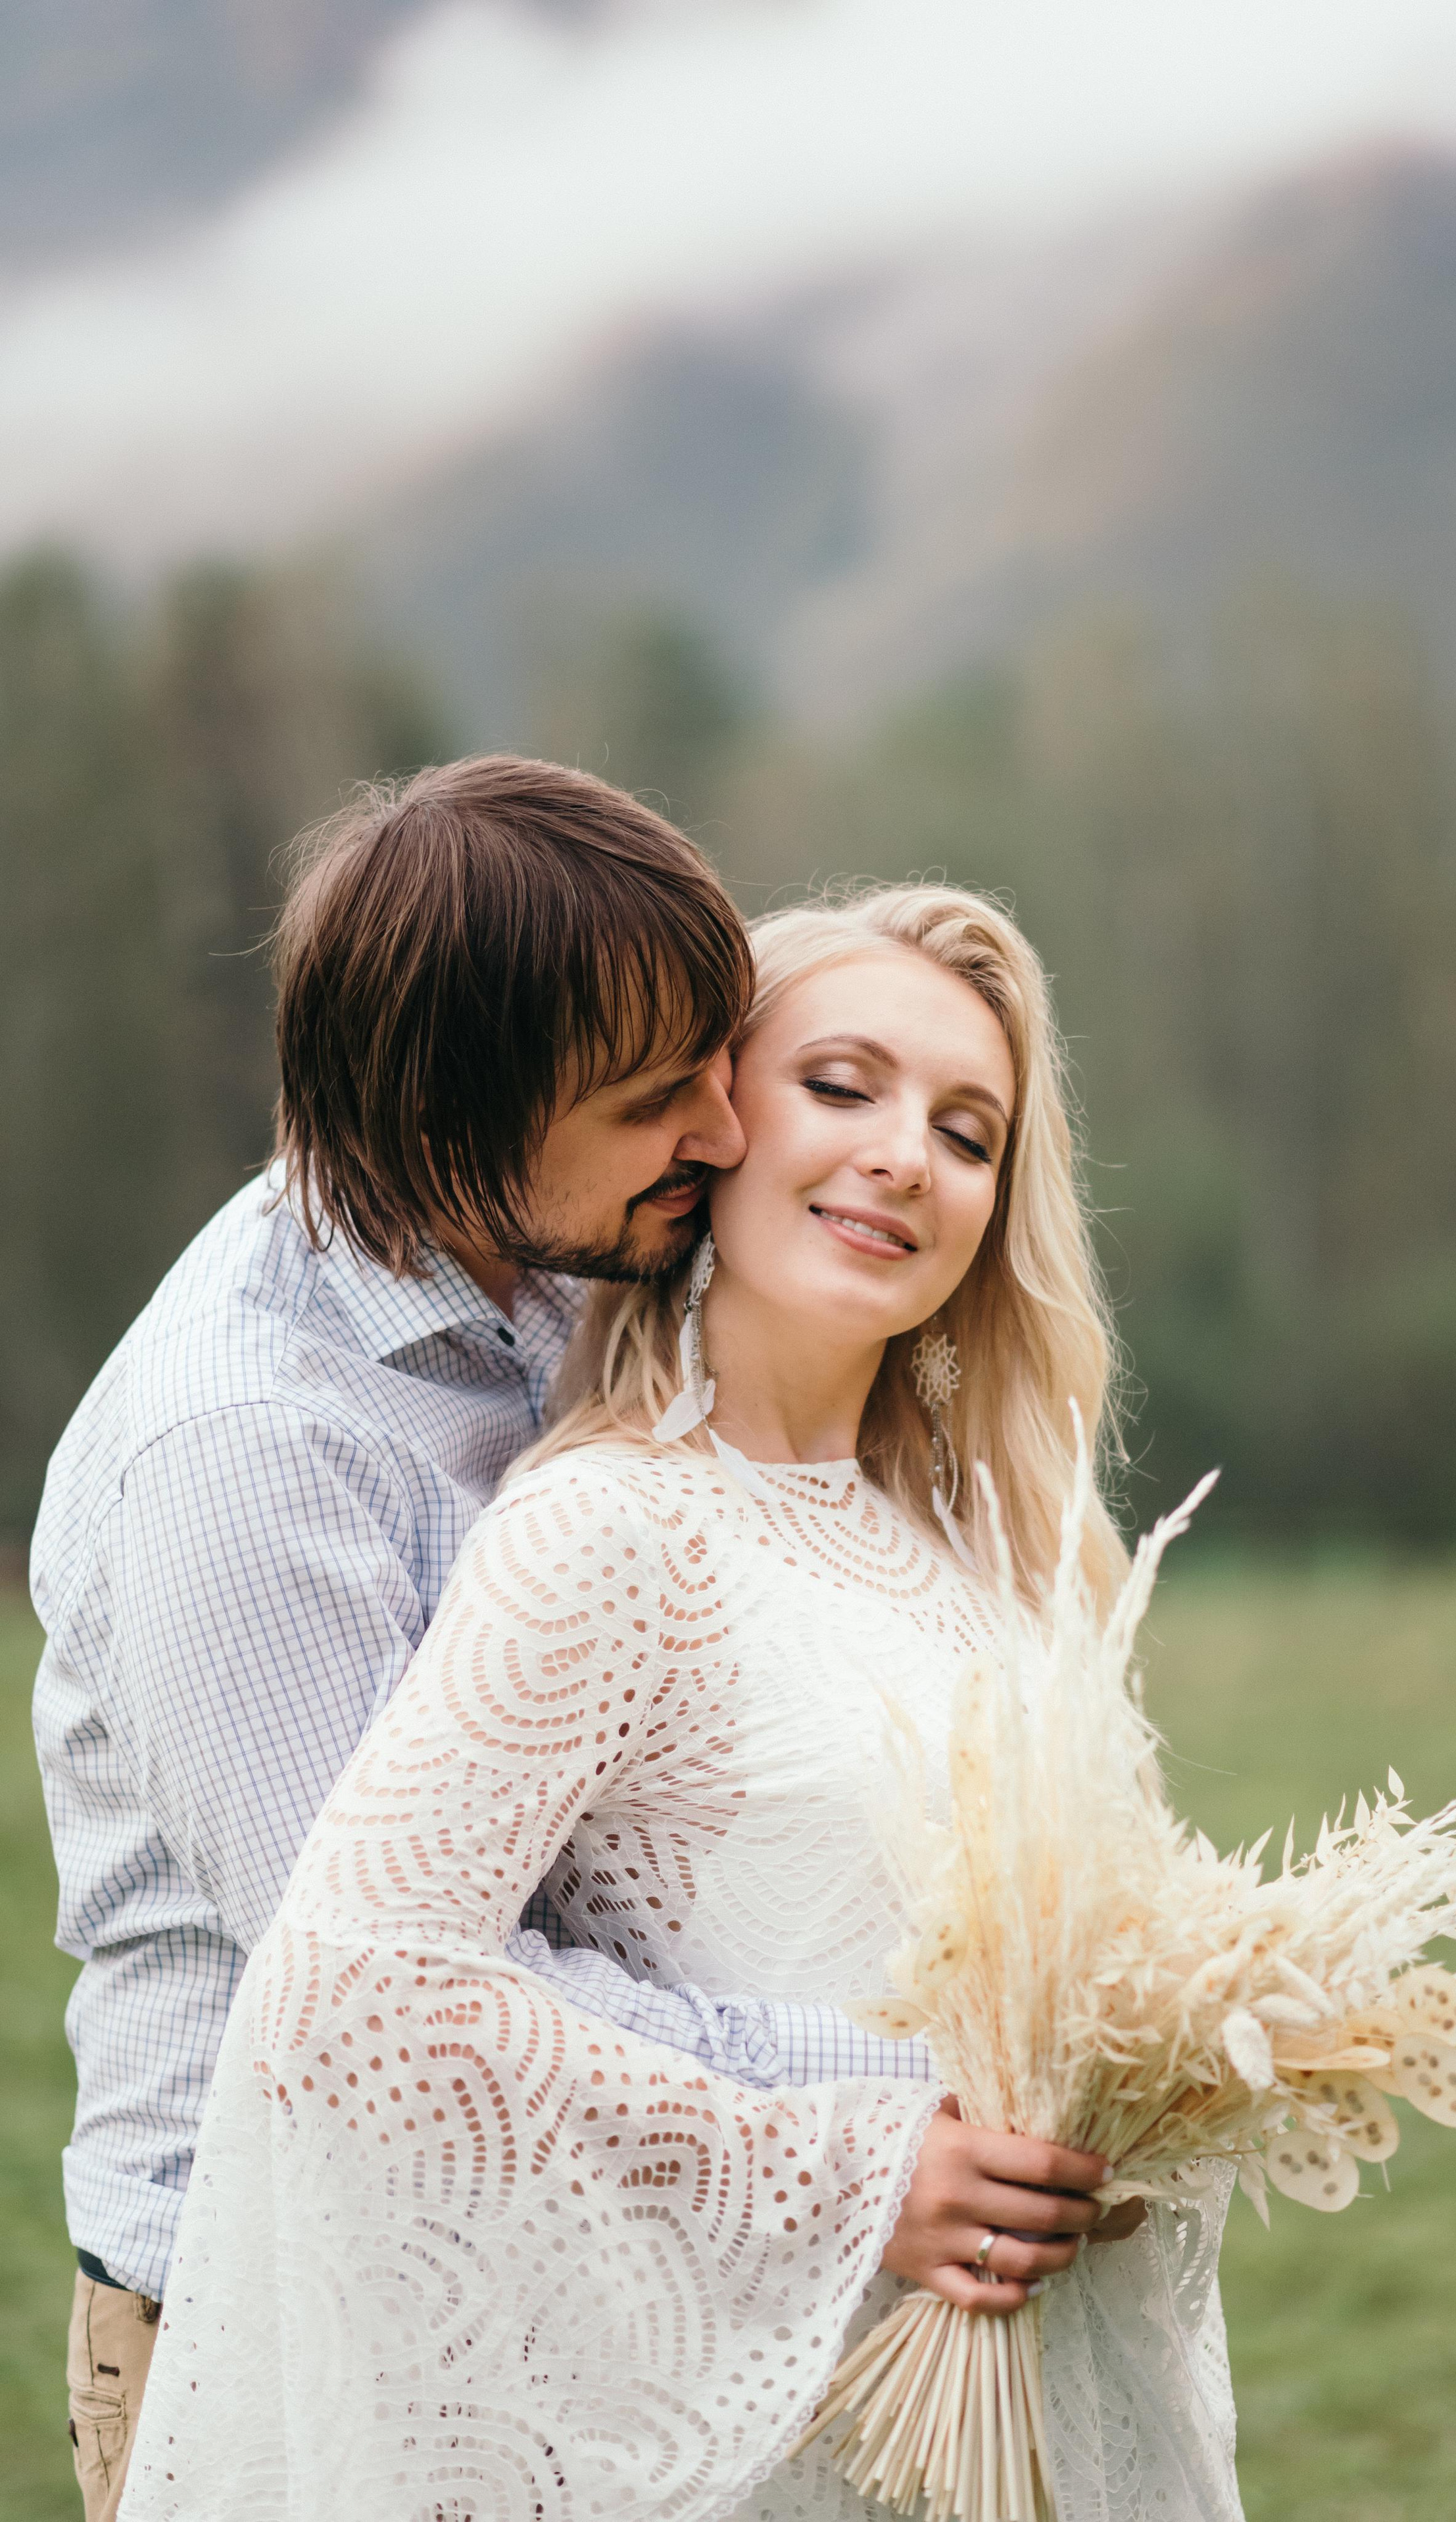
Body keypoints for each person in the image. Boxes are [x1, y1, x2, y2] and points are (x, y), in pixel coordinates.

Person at [118, 883, 1242, 2522]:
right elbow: (355, 1992)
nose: (904, 1157)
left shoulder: (1001, 1538)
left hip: (1035, 2404)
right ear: (715, 1127)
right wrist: (859, 2172)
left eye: (968, 1132)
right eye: (841, 1087)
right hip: (757, 2432)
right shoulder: (603, 1529)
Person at [33, 760, 981, 2522]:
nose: (719, 1133)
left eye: (718, 1061)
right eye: (649, 1102)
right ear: (442, 1122)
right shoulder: (241, 1462)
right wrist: (889, 2113)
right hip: (279, 2310)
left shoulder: (556, 1252)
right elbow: (401, 1996)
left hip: (553, 2246)